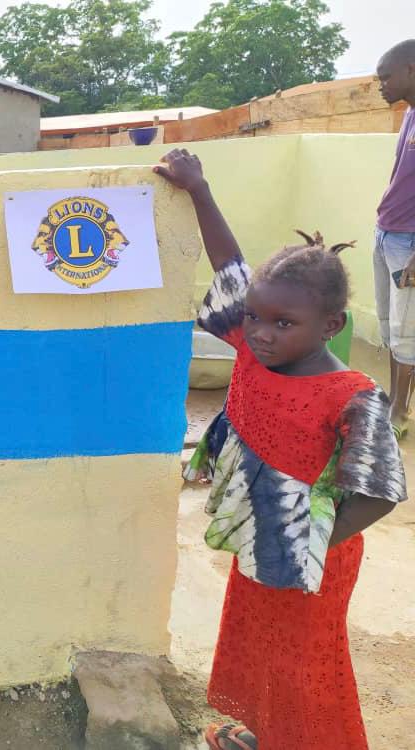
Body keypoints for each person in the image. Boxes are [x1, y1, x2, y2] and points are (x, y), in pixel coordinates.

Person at [154, 149, 407, 750]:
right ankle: (268, 734)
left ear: (330, 324)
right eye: (257, 317)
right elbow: (229, 266)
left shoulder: (352, 395)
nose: (263, 331)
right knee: (260, 638)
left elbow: (379, 494)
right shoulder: (248, 342)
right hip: (258, 531)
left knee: (305, 663)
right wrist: (198, 189)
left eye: (283, 323)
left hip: (313, 553)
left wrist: (304, 547)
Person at [376, 39, 415, 440]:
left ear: (412, 70)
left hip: (409, 240)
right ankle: (392, 399)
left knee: (408, 328)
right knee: (390, 323)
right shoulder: (409, 114)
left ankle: (400, 413)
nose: (381, 85)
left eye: (387, 77)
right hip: (387, 232)